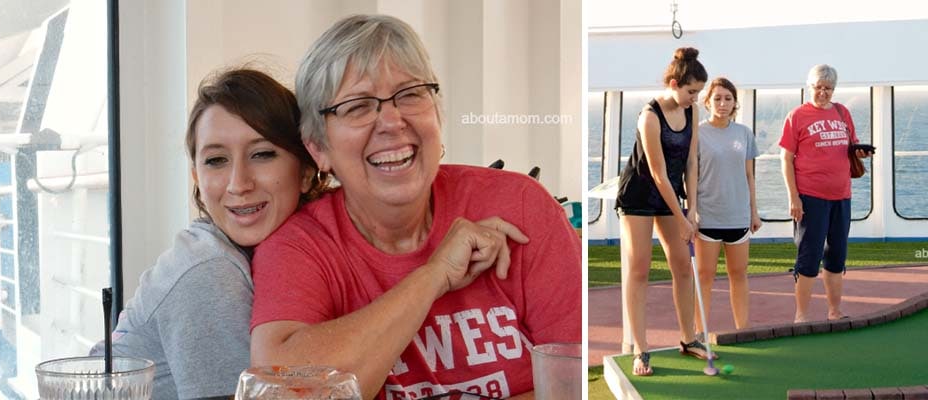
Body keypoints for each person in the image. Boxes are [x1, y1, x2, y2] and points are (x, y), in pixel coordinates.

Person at [249, 15, 580, 399]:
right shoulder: (300, 247)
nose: (392, 121)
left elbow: (572, 386)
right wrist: (433, 276)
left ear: (437, 114)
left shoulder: (520, 206)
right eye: (357, 106)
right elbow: (281, 390)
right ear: (318, 148)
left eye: (410, 94)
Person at [89, 68, 328, 399]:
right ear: (197, 178)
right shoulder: (209, 271)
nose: (239, 184)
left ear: (306, 171)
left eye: (261, 154)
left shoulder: (293, 253)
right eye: (216, 160)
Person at [614, 47, 706, 376]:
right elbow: (657, 173)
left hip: (671, 195)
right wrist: (680, 218)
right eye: (691, 91)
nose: (695, 98)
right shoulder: (650, 117)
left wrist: (692, 208)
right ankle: (641, 350)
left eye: (698, 93)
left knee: (682, 266)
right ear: (674, 83)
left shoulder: (692, 112)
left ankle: (689, 339)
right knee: (639, 269)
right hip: (639, 195)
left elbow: (691, 162)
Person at [780, 64, 870, 323]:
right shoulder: (797, 116)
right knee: (809, 256)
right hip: (810, 197)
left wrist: (860, 152)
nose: (823, 92)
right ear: (810, 87)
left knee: (837, 256)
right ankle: (801, 315)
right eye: (818, 87)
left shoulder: (842, 112)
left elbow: (851, 146)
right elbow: (786, 158)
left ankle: (834, 311)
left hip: (842, 196)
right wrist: (793, 197)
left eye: (828, 88)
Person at [693, 77, 761, 333]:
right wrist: (691, 212)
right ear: (707, 102)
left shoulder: (744, 133)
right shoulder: (697, 134)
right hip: (707, 217)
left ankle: (743, 330)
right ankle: (699, 333)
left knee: (739, 274)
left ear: (734, 103)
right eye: (718, 98)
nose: (723, 103)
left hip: (738, 216)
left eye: (728, 98)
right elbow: (691, 176)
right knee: (704, 277)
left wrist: (754, 212)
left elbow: (749, 175)